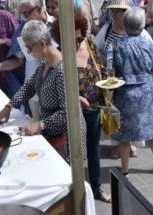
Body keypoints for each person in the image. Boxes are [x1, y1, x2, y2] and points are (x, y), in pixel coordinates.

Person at [0, 20, 86, 161]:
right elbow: (29, 87)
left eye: (29, 48)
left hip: (67, 140)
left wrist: (40, 124)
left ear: (42, 43)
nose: (29, 53)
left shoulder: (62, 70)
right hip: (53, 134)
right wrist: (9, 107)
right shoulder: (45, 63)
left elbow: (67, 113)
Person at [52, 12, 111, 202]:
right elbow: (58, 86)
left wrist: (110, 80)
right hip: (73, 113)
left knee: (94, 150)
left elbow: (102, 67)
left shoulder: (90, 45)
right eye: (72, 39)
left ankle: (96, 188)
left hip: (94, 109)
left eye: (79, 37)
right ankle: (75, 190)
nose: (77, 42)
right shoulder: (60, 55)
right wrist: (76, 97)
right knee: (75, 153)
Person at [108, 7, 153, 175]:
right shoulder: (148, 44)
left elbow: (110, 74)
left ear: (125, 24)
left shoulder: (115, 45)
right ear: (142, 25)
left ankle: (125, 169)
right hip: (145, 93)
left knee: (124, 132)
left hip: (124, 94)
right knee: (151, 128)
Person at [0, 0, 53, 117]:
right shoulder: (22, 30)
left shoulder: (58, 26)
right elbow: (20, 62)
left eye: (27, 13)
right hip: (34, 96)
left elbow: (61, 116)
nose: (24, 18)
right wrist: (9, 107)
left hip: (52, 95)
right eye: (22, 14)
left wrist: (41, 125)